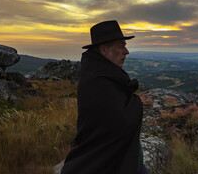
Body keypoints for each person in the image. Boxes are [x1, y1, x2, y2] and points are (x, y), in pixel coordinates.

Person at [61, 20, 148, 174]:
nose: (126, 51)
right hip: (107, 162)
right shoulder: (98, 82)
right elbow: (123, 121)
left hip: (119, 157)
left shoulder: (103, 75)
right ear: (103, 49)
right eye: (121, 46)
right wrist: (136, 102)